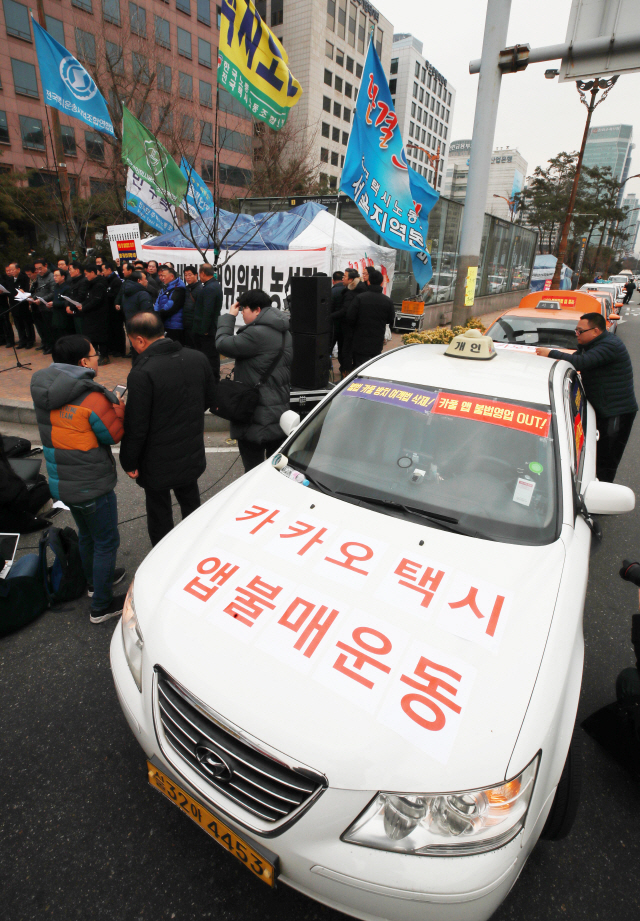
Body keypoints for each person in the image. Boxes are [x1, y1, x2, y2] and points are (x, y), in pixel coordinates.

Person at [30, 334, 127, 622]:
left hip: (63, 481)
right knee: (107, 540)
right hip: (92, 484)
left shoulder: (42, 388)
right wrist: (118, 407)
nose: (97, 358)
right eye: (95, 355)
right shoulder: (93, 397)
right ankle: (102, 605)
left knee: (87, 535)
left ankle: (94, 583)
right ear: (84, 362)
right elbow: (113, 435)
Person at [119, 312, 217, 546]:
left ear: (140, 340)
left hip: (156, 458)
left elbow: (137, 425)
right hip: (190, 448)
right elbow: (209, 399)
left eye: (131, 340)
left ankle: (164, 554)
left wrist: (129, 461)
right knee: (191, 501)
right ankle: (195, 545)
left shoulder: (142, 372)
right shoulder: (197, 358)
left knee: (159, 510)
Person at [536, 312, 638, 481]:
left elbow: (580, 363)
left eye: (580, 331)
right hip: (603, 409)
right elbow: (573, 360)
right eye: (576, 330)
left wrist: (551, 353)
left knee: (606, 459)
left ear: (596, 331)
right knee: (594, 455)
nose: (577, 334)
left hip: (616, 413)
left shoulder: (610, 345)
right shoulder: (592, 345)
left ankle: (601, 496)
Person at [215, 289, 292, 471]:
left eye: (244, 309)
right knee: (276, 470)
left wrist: (228, 317)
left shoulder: (256, 334)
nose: (241, 313)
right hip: (280, 411)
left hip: (256, 414)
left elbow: (222, 344)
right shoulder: (284, 331)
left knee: (253, 472)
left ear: (257, 310)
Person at [0, 435, 53, 534]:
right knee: (47, 488)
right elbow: (19, 499)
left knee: (37, 478)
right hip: (10, 515)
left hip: (9, 500)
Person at [345, 267, 396, 369]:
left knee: (359, 367)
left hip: (360, 338)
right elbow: (391, 320)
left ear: (369, 282)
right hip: (377, 339)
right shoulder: (387, 301)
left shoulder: (360, 298)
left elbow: (350, 317)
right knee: (373, 366)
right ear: (381, 283)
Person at [191, 263, 222, 380]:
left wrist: (204, 330)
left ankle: (212, 379)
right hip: (208, 329)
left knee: (209, 356)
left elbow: (207, 310)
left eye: (199, 274)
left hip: (207, 331)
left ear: (203, 273)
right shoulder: (212, 285)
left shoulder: (210, 288)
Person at [339, 268, 367, 373]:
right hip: (359, 328)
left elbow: (346, 311)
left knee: (346, 351)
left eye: (344, 277)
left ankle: (346, 373)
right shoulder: (361, 289)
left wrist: (330, 316)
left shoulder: (351, 293)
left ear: (351, 280)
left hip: (350, 328)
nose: (342, 279)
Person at [82, 264, 111, 365]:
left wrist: (84, 307)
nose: (86, 276)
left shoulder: (99, 284)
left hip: (100, 315)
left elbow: (96, 301)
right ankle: (94, 355)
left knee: (101, 337)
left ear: (93, 273)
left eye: (87, 274)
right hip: (91, 315)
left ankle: (104, 356)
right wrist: (82, 305)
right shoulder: (90, 284)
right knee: (92, 337)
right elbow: (88, 298)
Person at [5, 262, 34, 348]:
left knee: (27, 323)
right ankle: (22, 340)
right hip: (14, 304)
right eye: (10, 270)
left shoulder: (24, 278)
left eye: (13, 270)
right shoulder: (10, 280)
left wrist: (23, 291)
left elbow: (28, 290)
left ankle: (30, 340)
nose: (11, 271)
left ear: (18, 269)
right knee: (18, 324)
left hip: (23, 304)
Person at [154, 264, 186, 343]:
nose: (163, 278)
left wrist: (160, 313)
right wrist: (155, 312)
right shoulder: (165, 287)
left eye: (164, 276)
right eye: (161, 276)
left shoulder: (179, 288)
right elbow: (157, 302)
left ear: (171, 276)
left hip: (174, 325)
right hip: (165, 323)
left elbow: (170, 306)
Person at [30, 258, 56, 354]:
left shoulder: (51, 277)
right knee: (43, 328)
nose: (39, 271)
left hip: (48, 306)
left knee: (50, 328)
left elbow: (53, 293)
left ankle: (53, 346)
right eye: (37, 269)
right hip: (40, 306)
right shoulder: (39, 277)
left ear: (46, 266)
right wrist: (33, 297)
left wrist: (42, 300)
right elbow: (39, 290)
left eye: (40, 268)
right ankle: (47, 344)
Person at [102, 261, 124, 356]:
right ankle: (113, 348)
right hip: (108, 311)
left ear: (109, 269)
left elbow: (116, 295)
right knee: (111, 329)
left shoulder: (116, 281)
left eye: (103, 270)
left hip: (116, 310)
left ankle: (120, 349)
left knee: (117, 329)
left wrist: (106, 295)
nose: (102, 272)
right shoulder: (106, 280)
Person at [49, 267, 74, 339]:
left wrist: (54, 303)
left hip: (64, 316)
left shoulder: (67, 288)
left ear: (63, 277)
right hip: (56, 314)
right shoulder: (56, 287)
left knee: (65, 335)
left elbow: (67, 301)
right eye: (54, 276)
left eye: (56, 275)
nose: (54, 277)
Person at [329, 269, 346, 375]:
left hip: (333, 324)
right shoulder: (349, 290)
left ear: (333, 280)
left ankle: (328, 370)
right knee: (343, 349)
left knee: (328, 347)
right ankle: (344, 370)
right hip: (346, 325)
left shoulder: (331, 292)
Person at [182, 265, 202, 348]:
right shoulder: (186, 289)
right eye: (185, 275)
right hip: (186, 325)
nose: (187, 277)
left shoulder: (200, 289)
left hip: (195, 327)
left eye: (190, 275)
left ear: (196, 275)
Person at [67, 261, 89, 334]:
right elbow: (69, 295)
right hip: (74, 311)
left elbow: (81, 296)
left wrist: (71, 307)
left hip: (81, 312)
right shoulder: (72, 281)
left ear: (77, 270)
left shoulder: (84, 281)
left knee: (83, 333)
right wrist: (67, 305)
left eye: (70, 269)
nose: (69, 271)